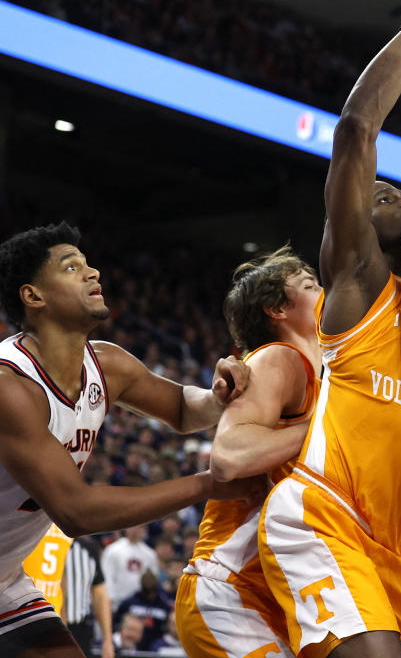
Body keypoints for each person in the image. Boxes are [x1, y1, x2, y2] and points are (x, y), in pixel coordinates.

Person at [256, 0, 401, 658]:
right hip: (324, 512)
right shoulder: (358, 279)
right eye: (384, 195)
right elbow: (356, 129)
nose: (400, 197)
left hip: (390, 546)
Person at [0, 222, 260, 658]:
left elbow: (183, 409)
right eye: (71, 267)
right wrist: (207, 484)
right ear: (33, 296)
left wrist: (218, 396)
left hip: (7, 578)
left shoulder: (107, 364)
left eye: (87, 263)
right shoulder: (11, 386)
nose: (93, 272)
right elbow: (77, 511)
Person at [174, 247, 322, 658]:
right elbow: (230, 457)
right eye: (311, 285)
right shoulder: (282, 358)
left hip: (274, 599)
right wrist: (327, 428)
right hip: (229, 592)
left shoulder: (322, 379)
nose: (325, 291)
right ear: (278, 309)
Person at [100, 525, 157, 608]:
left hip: (140, 603)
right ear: (126, 528)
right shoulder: (113, 550)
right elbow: (107, 577)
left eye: (140, 527)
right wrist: (109, 599)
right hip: (117, 601)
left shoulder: (150, 554)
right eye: (132, 526)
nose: (135, 530)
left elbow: (152, 580)